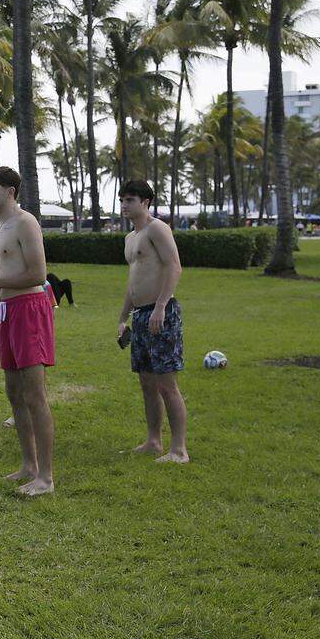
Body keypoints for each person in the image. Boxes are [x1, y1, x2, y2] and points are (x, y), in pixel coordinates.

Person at [0, 166, 56, 497]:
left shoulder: (25, 222)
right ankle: (28, 465)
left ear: (10, 191)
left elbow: (38, 274)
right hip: (9, 311)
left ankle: (46, 478)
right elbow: (6, 270)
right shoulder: (2, 225)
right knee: (13, 393)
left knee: (35, 394)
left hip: (31, 311)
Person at [118, 180, 189, 464]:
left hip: (162, 312)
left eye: (131, 199)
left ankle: (179, 449)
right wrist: (123, 317)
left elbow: (174, 266)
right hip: (141, 315)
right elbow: (133, 282)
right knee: (147, 383)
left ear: (146, 201)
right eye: (122, 199)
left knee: (166, 384)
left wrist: (161, 306)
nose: (125, 205)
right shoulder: (130, 238)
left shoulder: (157, 228)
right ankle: (153, 440)